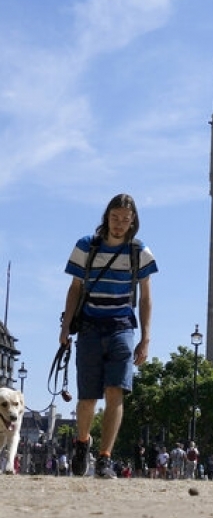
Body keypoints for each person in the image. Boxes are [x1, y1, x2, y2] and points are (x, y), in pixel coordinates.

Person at [59, 194, 158, 478]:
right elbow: (75, 288)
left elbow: (147, 298)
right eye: (115, 218)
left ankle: (104, 457)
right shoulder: (85, 246)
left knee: (116, 391)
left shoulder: (140, 251)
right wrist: (66, 326)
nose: (119, 224)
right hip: (89, 326)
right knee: (88, 397)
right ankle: (82, 443)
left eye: (125, 220)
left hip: (122, 327)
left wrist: (146, 338)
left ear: (133, 222)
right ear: (107, 217)